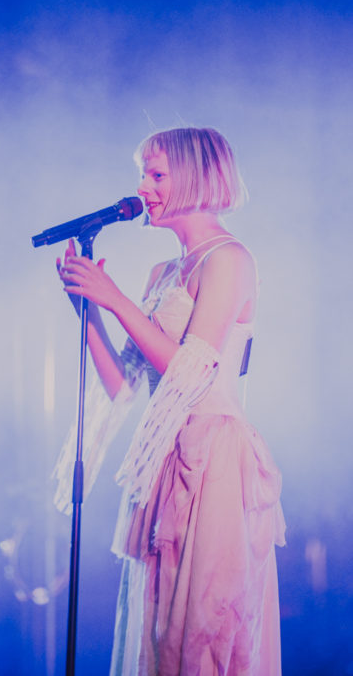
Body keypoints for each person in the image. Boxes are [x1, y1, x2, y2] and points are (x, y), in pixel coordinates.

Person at [55, 127, 285, 675]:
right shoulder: (163, 272)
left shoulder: (230, 259)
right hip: (166, 460)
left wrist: (115, 300)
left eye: (157, 174)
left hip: (213, 459)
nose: (143, 187)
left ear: (197, 177)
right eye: (143, 174)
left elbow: (191, 373)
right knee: (158, 629)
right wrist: (89, 310)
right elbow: (123, 385)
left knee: (204, 624)